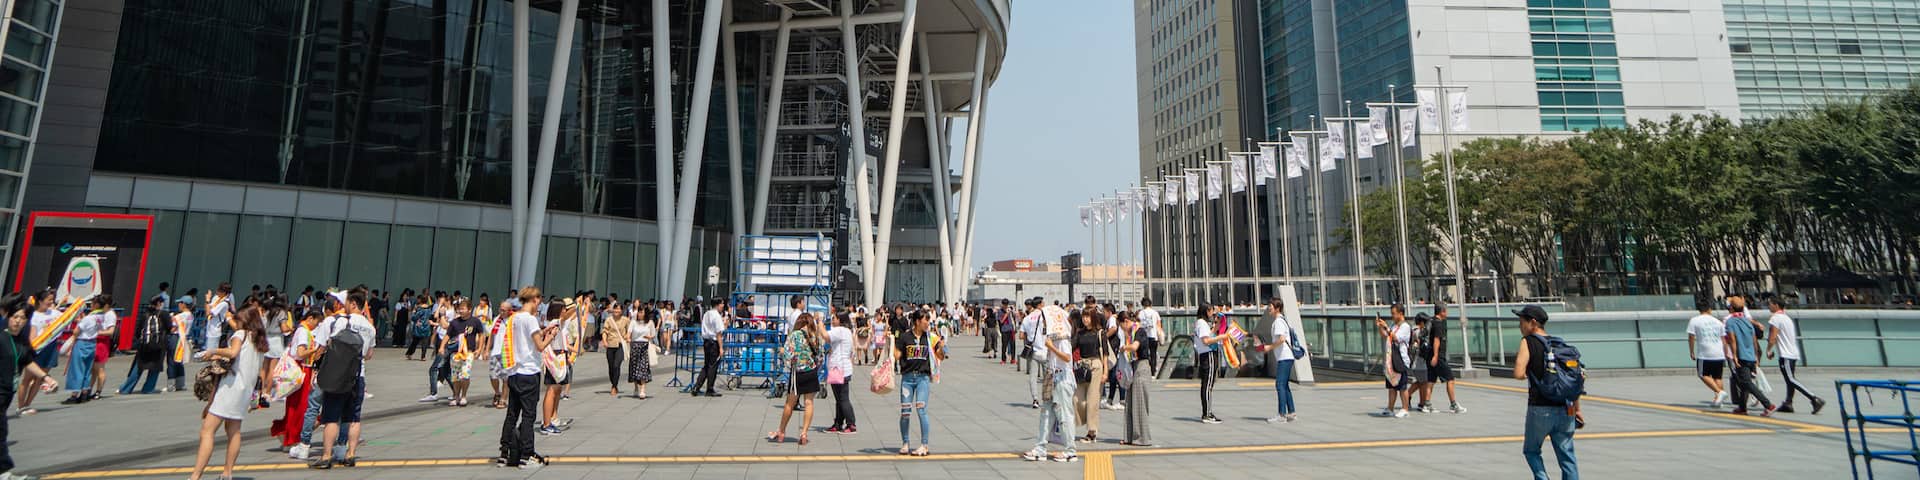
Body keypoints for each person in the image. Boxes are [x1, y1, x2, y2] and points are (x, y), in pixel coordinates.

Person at [190, 305, 268, 480]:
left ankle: (195, 476)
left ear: (246, 321)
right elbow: (252, 366)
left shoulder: (240, 335)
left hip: (230, 389)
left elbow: (233, 353)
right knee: (233, 431)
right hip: (244, 392)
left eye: (238, 320)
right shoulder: (260, 342)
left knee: (207, 431)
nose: (236, 323)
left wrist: (213, 351)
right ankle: (227, 473)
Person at [309, 288, 376, 469]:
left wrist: (315, 369)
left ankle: (326, 456)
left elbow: (321, 348)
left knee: (331, 417)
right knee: (353, 418)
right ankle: (350, 454)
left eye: (346, 302)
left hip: (337, 376)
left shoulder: (334, 321)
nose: (343, 306)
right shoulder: (370, 327)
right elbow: (369, 355)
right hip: (358, 376)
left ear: (353, 303)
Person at [1513, 305, 1580, 480]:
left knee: (1532, 451)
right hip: (1567, 408)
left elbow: (1518, 373)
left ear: (1533, 323)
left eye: (1522, 322)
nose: (1520, 325)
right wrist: (1577, 409)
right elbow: (1573, 381)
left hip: (1540, 408)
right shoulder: (1559, 344)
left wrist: (1533, 372)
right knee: (1567, 456)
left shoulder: (1527, 341)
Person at [495, 286, 558, 470]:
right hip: (529, 372)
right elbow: (539, 346)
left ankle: (504, 454)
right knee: (529, 415)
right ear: (535, 299)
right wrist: (551, 336)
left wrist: (544, 330)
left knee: (512, 415)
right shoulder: (530, 319)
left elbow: (526, 339)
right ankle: (526, 455)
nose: (539, 304)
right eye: (539, 300)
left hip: (514, 371)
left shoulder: (513, 318)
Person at [2, 293, 51, 478]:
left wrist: (46, 378)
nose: (18, 321)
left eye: (22, 318)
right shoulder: (1, 338)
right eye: (15, 317)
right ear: (8, 316)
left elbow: (27, 361)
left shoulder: (20, 342)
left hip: (6, 393)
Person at [1023, 301, 1078, 462]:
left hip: (1063, 377)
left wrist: (1051, 347)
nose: (1044, 323)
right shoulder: (1053, 337)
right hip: (1053, 375)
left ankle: (1070, 450)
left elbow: (1067, 358)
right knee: (1046, 412)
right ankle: (1040, 447)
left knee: (1064, 414)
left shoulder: (1062, 337)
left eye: (1045, 320)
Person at [770, 312, 825, 445]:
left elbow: (788, 354)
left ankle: (781, 431)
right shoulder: (815, 336)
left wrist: (784, 354)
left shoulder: (794, 335)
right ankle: (804, 433)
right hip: (811, 371)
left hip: (797, 372)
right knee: (809, 403)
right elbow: (821, 355)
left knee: (790, 403)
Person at [894, 311, 944, 456]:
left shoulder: (930, 338)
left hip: (923, 378)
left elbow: (941, 356)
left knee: (921, 410)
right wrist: (891, 344)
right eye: (925, 320)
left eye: (928, 320)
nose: (928, 323)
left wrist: (941, 346)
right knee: (905, 412)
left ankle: (924, 445)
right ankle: (905, 443)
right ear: (917, 321)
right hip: (907, 379)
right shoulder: (905, 337)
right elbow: (897, 356)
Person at [1765, 299, 1824, 414]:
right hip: (1792, 353)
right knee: (1789, 379)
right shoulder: (1787, 318)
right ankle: (1788, 403)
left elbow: (1772, 337)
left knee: (1791, 379)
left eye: (1770, 304)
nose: (1769, 306)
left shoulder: (1775, 319)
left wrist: (1768, 350)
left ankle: (1814, 398)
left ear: (1776, 305)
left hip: (1786, 354)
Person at [275, 311, 322, 454]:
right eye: (316, 322)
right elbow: (301, 353)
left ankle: (288, 437)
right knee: (299, 407)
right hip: (302, 370)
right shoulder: (303, 332)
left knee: (296, 406)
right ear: (310, 318)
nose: (317, 325)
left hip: (301, 370)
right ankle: (292, 438)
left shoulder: (302, 330)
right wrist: (314, 350)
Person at [1721, 297, 1776, 416]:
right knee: (1744, 383)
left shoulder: (1730, 322)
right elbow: (1754, 340)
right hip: (1751, 356)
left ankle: (1768, 405)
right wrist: (1756, 356)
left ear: (1731, 308)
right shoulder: (1747, 321)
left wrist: (1734, 356)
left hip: (1741, 356)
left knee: (1746, 382)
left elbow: (1732, 340)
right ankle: (1742, 407)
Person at [60, 297, 110, 404]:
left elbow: (77, 331)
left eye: (92, 303)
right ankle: (84, 393)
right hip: (92, 343)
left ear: (96, 305)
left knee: (77, 369)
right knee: (87, 370)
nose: (91, 305)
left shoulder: (89, 318)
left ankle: (74, 395)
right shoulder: (101, 317)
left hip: (82, 343)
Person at [1258, 299, 1299, 423]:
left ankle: (1282, 414)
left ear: (1277, 308)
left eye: (1270, 306)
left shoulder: (1278, 322)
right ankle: (1291, 412)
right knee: (1284, 385)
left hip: (1284, 357)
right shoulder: (1281, 320)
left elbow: (1281, 339)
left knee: (1280, 384)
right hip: (1286, 357)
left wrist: (1269, 347)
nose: (1268, 308)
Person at [118, 297, 170, 395]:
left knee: (138, 367)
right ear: (159, 303)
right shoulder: (164, 314)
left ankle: (126, 389)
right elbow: (169, 328)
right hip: (159, 346)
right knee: (155, 368)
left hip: (144, 346)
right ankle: (148, 388)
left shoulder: (144, 315)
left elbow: (138, 332)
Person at [1072, 309, 1110, 443]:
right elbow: (1071, 347)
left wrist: (1106, 372)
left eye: (1088, 317)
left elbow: (1105, 354)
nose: (1085, 319)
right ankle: (1083, 421)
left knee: (1093, 400)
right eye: (1084, 317)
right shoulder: (1079, 333)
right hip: (1083, 366)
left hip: (1096, 365)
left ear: (1093, 318)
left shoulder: (1100, 333)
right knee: (1077, 399)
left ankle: (1092, 431)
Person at [1118, 311, 1152, 446]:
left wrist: (1123, 348)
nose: (1122, 329)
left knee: (1140, 403)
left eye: (1122, 326)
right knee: (1130, 402)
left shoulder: (1140, 331)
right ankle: (1130, 436)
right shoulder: (1131, 333)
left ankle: (1142, 438)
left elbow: (1135, 347)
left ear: (1126, 321)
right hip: (1133, 368)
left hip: (1141, 368)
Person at [1685, 301, 1728, 408]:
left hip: (1705, 353)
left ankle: (1719, 392)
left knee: (1702, 374)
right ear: (1710, 309)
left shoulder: (1694, 320)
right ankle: (1719, 400)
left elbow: (1691, 337)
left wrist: (1691, 351)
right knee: (1717, 377)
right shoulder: (1718, 322)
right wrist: (1726, 352)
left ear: (1699, 310)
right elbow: (1724, 339)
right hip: (1719, 353)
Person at [1373, 304, 1414, 418]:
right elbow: (1385, 335)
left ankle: (1405, 408)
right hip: (1391, 360)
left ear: (1401, 314)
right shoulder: (1393, 325)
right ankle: (1390, 408)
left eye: (1394, 313)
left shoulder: (1405, 327)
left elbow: (1396, 338)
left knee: (1402, 386)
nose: (1392, 316)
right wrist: (1381, 327)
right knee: (1391, 386)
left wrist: (1386, 327)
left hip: (1400, 360)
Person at [1423, 305, 1464, 414]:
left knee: (1431, 380)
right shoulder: (1438, 324)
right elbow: (1437, 340)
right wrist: (1436, 356)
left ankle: (1426, 404)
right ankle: (1453, 404)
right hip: (1438, 357)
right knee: (1450, 379)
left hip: (1429, 355)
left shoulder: (1431, 321)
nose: (1447, 313)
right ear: (1442, 312)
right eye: (1446, 311)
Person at [1192, 303, 1227, 424]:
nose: (1212, 313)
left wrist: (1219, 322)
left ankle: (1207, 412)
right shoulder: (1202, 323)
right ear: (1207, 311)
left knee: (1208, 384)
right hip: (1208, 354)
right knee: (1207, 385)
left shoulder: (1202, 323)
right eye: (1211, 311)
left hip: (1207, 354)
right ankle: (1206, 414)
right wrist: (1221, 337)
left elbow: (1211, 332)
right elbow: (1206, 340)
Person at [824, 311, 858, 434]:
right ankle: (838, 423)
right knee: (839, 398)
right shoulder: (847, 331)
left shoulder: (840, 330)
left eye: (834, 318)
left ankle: (851, 424)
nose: (832, 321)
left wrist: (819, 322)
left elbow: (825, 336)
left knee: (842, 398)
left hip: (840, 369)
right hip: (841, 368)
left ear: (840, 320)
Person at [447, 300, 481, 406]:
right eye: (459, 309)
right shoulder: (454, 322)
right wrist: (442, 347)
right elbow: (448, 335)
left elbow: (481, 335)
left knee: (465, 375)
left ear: (469, 309)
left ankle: (464, 396)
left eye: (463, 309)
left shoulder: (475, 321)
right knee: (455, 376)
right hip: (455, 353)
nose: (460, 311)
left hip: (468, 353)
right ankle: (456, 396)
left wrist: (480, 349)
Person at [691, 298, 727, 397]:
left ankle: (696, 387)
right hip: (714, 342)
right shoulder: (717, 316)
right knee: (713, 366)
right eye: (722, 304)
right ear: (718, 304)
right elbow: (718, 333)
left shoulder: (707, 314)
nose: (723, 306)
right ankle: (709, 388)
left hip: (706, 341)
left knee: (706, 365)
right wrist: (721, 348)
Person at [601, 303, 630, 398]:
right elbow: (605, 331)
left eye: (618, 309)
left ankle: (614, 386)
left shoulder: (626, 320)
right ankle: (614, 383)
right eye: (615, 309)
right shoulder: (609, 320)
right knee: (611, 367)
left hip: (620, 345)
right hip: (610, 344)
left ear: (622, 311)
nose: (616, 311)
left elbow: (629, 331)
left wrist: (626, 337)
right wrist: (604, 341)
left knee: (616, 365)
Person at [626, 306, 655, 399]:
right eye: (639, 312)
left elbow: (653, 334)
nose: (640, 314)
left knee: (643, 368)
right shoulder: (633, 322)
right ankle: (635, 388)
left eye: (642, 312)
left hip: (644, 346)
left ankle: (643, 389)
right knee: (634, 367)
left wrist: (649, 337)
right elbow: (629, 332)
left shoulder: (650, 323)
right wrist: (628, 338)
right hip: (635, 346)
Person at [1137, 298, 1162, 377]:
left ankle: (1145, 370)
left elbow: (1137, 324)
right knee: (1153, 354)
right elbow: (1159, 325)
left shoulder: (1140, 313)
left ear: (1143, 304)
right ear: (1150, 304)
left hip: (1143, 336)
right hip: (1153, 336)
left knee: (1144, 355)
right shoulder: (1155, 313)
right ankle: (1153, 372)